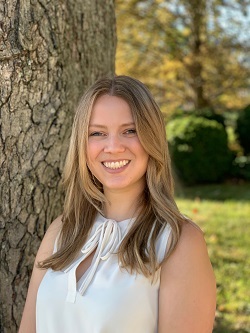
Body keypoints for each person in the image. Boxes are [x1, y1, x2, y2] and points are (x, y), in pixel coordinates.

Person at [19, 75, 216, 333]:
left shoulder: (179, 242)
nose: (113, 147)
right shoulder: (62, 230)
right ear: (82, 144)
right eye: (97, 133)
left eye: (129, 131)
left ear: (152, 138)